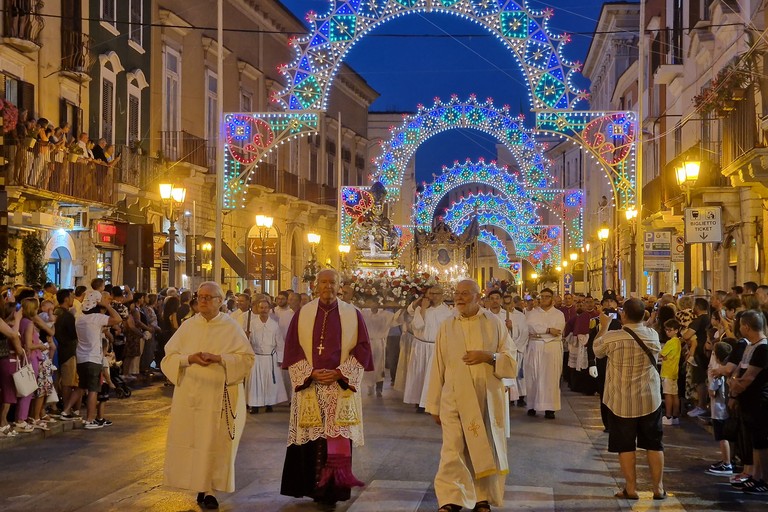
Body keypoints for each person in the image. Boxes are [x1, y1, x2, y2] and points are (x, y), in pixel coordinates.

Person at [280, 269, 373, 507]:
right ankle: (310, 487)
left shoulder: (353, 314)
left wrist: (340, 373)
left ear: (339, 285)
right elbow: (292, 348)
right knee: (310, 437)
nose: (327, 287)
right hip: (311, 385)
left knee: (336, 436)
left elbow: (362, 349)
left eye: (332, 282)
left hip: (339, 387)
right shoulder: (303, 314)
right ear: (315, 285)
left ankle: (332, 491)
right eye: (323, 282)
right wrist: (309, 373)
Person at [161, 282, 255, 510]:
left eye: (208, 297)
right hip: (191, 397)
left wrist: (220, 358)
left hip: (219, 396)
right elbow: (168, 358)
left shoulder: (231, 327)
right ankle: (200, 485)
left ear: (220, 301)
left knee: (215, 442)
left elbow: (246, 359)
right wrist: (189, 359)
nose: (202, 301)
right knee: (195, 442)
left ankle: (210, 488)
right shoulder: (187, 326)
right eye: (200, 296)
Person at [426, 280, 516, 512]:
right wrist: (434, 404)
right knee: (453, 448)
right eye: (457, 293)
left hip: (485, 397)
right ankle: (451, 498)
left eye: (465, 293)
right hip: (453, 397)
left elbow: (511, 357)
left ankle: (481, 497)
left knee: (482, 446)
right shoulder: (447, 325)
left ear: (478, 297)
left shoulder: (494, 323)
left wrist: (489, 357)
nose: (460, 298)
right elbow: (437, 364)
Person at [593, 298, 665, 500]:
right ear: (644, 315)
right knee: (654, 444)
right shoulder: (653, 335)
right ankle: (658, 488)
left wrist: (604, 327)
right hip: (649, 399)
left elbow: (597, 351)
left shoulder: (614, 337)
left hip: (621, 400)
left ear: (623, 315)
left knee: (625, 446)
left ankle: (631, 488)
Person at [61, 291, 122, 428]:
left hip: (81, 357)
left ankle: (65, 410)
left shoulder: (80, 319)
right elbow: (117, 319)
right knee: (93, 389)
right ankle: (89, 419)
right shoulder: (97, 317)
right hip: (93, 358)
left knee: (81, 386)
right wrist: (108, 306)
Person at [727, 309, 768, 494]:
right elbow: (739, 372)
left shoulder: (762, 348)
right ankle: (754, 476)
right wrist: (735, 390)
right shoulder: (751, 346)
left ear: (746, 326)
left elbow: (748, 378)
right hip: (748, 401)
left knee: (761, 442)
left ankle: (763, 479)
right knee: (753, 442)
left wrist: (734, 384)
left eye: (740, 324)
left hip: (759, 401)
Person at [403, 286, 452, 409]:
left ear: (442, 295)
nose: (434, 296)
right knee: (419, 374)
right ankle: (418, 401)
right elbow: (417, 325)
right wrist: (423, 307)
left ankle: (431, 402)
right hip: (420, 346)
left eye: (437, 293)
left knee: (433, 377)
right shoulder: (421, 309)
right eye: (431, 293)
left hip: (436, 347)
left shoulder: (448, 312)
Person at [524, 288, 566, 419]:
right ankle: (532, 405)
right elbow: (530, 327)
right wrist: (547, 330)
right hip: (535, 347)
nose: (543, 299)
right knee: (533, 376)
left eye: (547, 297)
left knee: (550, 377)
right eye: (541, 297)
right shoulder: (532, 313)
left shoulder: (559, 314)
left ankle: (550, 408)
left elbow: (558, 331)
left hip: (551, 348)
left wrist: (540, 333)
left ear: (552, 299)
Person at [242, 298, 287, 413]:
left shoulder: (274, 325)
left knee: (269, 383)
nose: (264, 310)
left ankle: (269, 403)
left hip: (270, 358)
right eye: (261, 308)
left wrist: (280, 359)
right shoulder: (251, 324)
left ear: (270, 309)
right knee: (255, 383)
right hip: (256, 357)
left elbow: (280, 343)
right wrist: (246, 337)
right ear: (257, 309)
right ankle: (255, 405)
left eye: (266, 308)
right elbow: (246, 342)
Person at [706, 341, 734, 475]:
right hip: (723, 407)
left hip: (719, 408)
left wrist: (710, 387)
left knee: (722, 436)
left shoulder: (719, 372)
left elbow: (713, 391)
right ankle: (726, 460)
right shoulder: (726, 368)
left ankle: (727, 463)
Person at [361, 302, 395, 397]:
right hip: (368, 343)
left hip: (379, 343)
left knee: (379, 367)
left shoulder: (385, 315)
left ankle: (379, 388)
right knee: (369, 366)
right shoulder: (365, 313)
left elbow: (397, 319)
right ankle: (369, 386)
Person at [660, 319, 682, 425]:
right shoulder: (678, 341)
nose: (667, 332)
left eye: (670, 330)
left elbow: (662, 354)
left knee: (668, 394)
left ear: (676, 330)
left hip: (667, 372)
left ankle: (668, 416)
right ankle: (675, 416)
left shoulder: (670, 342)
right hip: (674, 372)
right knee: (675, 395)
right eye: (666, 330)